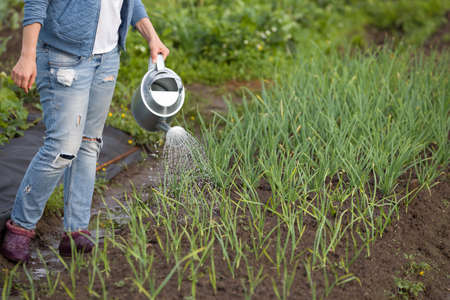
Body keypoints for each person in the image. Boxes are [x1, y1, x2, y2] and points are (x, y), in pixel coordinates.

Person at [0, 0, 169, 263]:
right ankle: (21, 226)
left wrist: (152, 37)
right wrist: (27, 55)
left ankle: (75, 231)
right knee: (63, 147)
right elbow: (36, 2)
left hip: (107, 59)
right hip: (62, 56)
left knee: (90, 144)